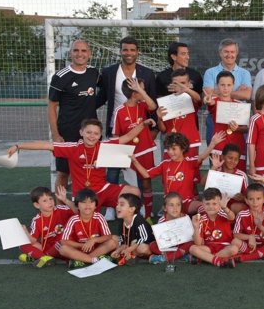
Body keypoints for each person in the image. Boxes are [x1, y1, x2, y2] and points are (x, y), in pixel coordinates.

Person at [9, 119, 144, 209]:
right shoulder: (72, 147)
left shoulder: (105, 146)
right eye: (88, 132)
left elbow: (127, 137)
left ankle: (129, 229)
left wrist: (144, 124)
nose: (92, 136)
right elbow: (46, 145)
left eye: (96, 133)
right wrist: (18, 145)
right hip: (82, 194)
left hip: (103, 189)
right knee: (86, 223)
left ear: (100, 135)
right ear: (81, 132)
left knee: (134, 192)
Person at [48, 40, 100, 189]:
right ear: (70, 53)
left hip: (90, 132)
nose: (80, 54)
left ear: (89, 54)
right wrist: (56, 135)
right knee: (64, 172)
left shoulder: (93, 73)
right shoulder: (60, 76)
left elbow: (105, 91)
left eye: (84, 51)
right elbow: (51, 107)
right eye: (76, 50)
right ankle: (60, 207)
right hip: (68, 130)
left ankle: (86, 205)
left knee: (90, 169)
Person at [112, 79, 158, 219]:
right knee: (134, 186)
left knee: (146, 183)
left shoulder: (143, 105)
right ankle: (134, 213)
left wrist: (142, 91)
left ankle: (148, 215)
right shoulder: (119, 111)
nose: (143, 91)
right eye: (140, 89)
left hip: (145, 150)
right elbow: (116, 135)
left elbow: (153, 106)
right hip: (130, 154)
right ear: (133, 93)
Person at [96, 36, 156, 139]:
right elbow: (102, 97)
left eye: (132, 50)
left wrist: (155, 130)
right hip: (116, 126)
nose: (129, 53)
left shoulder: (147, 74)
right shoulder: (109, 72)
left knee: (140, 155)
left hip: (140, 125)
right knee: (118, 155)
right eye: (125, 50)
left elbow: (153, 101)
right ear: (120, 51)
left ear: (137, 52)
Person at [202, 38, 252, 144]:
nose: (229, 55)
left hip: (239, 118)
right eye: (226, 51)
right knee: (215, 153)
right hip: (216, 117)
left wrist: (220, 92)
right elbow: (209, 94)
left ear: (237, 53)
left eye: (232, 52)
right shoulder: (210, 72)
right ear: (220, 53)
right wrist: (237, 92)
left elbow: (247, 95)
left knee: (238, 155)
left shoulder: (245, 73)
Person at [58, 188, 118, 268]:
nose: (87, 205)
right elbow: (64, 241)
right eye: (83, 202)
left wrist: (94, 240)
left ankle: (81, 261)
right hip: (78, 250)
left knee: (113, 242)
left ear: (95, 205)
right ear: (77, 205)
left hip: (96, 249)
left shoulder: (99, 217)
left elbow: (108, 236)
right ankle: (94, 260)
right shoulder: (73, 220)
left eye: (91, 202)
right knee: (63, 249)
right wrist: (82, 245)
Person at [18, 185, 75, 268]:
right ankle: (45, 258)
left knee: (63, 244)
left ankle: (39, 257)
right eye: (45, 201)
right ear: (37, 205)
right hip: (48, 248)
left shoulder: (62, 209)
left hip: (64, 245)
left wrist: (65, 200)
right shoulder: (37, 220)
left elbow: (78, 211)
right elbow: (33, 241)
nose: (50, 202)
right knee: (22, 245)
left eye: (51, 199)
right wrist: (24, 231)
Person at [205, 71, 248, 168]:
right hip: (220, 146)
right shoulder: (215, 101)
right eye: (222, 85)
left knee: (238, 177)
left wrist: (237, 129)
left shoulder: (240, 105)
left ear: (233, 85)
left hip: (238, 146)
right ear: (217, 86)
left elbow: (247, 128)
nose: (225, 88)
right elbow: (210, 103)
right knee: (219, 178)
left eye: (229, 85)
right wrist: (207, 100)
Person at [231, 183, 264, 262]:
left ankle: (245, 257)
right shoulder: (242, 214)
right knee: (235, 242)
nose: (255, 202)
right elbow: (235, 235)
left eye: (258, 198)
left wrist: (260, 226)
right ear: (246, 200)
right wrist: (250, 237)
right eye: (251, 199)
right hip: (249, 245)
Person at [189, 188, 238, 267]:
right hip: (209, 247)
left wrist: (225, 208)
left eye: (214, 204)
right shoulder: (201, 219)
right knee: (192, 248)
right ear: (202, 204)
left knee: (234, 248)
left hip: (225, 246)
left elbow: (232, 217)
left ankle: (205, 258)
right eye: (207, 204)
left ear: (220, 204)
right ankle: (219, 261)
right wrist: (196, 227)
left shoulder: (223, 213)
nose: (211, 207)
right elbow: (198, 243)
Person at [110, 194, 153, 265]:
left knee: (141, 248)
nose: (117, 207)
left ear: (132, 209)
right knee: (114, 238)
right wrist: (118, 251)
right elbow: (123, 242)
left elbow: (143, 238)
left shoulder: (139, 220)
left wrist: (128, 250)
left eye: (122, 205)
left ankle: (150, 256)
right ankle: (130, 256)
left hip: (148, 244)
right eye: (117, 204)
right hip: (132, 245)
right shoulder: (122, 221)